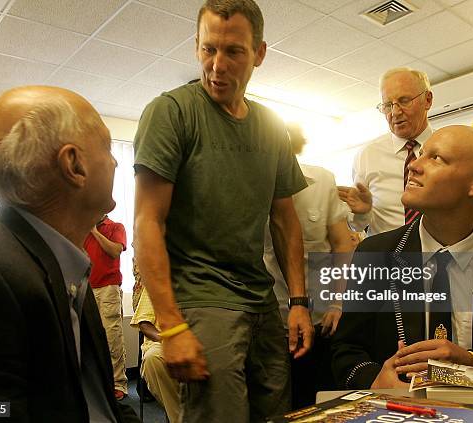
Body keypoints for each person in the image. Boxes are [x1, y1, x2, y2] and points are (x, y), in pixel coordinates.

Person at [132, 1, 314, 421]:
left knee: (276, 413)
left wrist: (300, 301)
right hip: (202, 296)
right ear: (196, 45)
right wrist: (172, 326)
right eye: (208, 49)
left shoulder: (271, 126)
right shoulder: (172, 112)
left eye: (233, 52)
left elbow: (285, 220)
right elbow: (147, 222)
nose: (217, 65)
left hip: (261, 300)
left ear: (259, 54)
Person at [0, 86, 139, 422]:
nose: (115, 160)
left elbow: (98, 401)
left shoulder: (67, 267)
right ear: (73, 164)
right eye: (107, 147)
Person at [331, 125, 473, 389]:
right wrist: (374, 380)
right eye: (422, 154)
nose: (413, 165)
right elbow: (346, 350)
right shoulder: (376, 254)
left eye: (436, 158)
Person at [338, 68, 473, 236]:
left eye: (404, 101)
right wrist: (361, 213)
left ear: (427, 100)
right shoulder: (367, 156)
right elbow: (357, 226)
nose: (395, 112)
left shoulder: (456, 149)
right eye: (388, 105)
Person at [264, 122, 353, 408]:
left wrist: (337, 303)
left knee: (318, 399)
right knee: (277, 401)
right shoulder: (250, 185)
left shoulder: (322, 180)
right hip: (269, 318)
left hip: (320, 317)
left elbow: (342, 244)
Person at [84, 215, 128, 400]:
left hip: (108, 288)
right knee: (88, 337)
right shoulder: (82, 227)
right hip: (86, 287)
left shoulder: (116, 227)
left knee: (112, 337)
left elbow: (114, 251)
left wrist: (94, 232)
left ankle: (119, 383)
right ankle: (97, 384)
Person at [130, 287, 180, 422]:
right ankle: (179, 417)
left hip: (203, 340)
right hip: (163, 340)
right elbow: (144, 323)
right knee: (153, 358)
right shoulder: (157, 279)